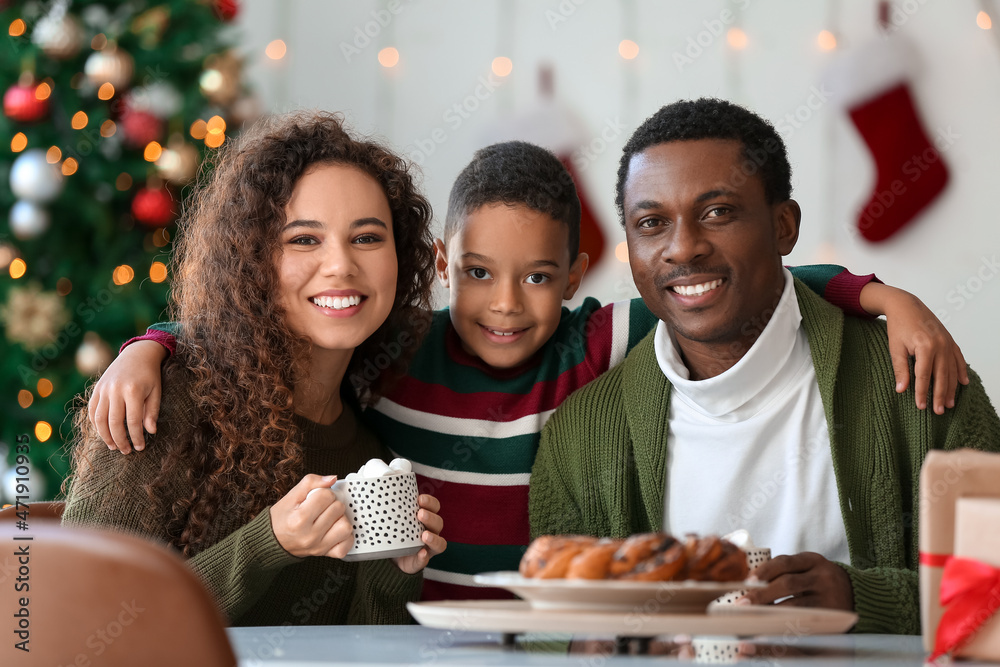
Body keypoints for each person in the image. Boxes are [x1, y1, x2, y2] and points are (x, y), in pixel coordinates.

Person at [90, 141, 966, 602]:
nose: (505, 305)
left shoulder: (587, 341)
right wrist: (154, 344)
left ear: (576, 277)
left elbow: (722, 289)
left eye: (538, 277)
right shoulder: (394, 356)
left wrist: (880, 298)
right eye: (478, 273)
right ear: (440, 263)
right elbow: (239, 327)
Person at [528, 98, 1000, 633]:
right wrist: (593, 648)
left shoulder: (917, 377)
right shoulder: (582, 433)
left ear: (783, 226)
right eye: (652, 222)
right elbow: (548, 623)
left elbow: (993, 593)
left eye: (717, 212)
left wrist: (858, 599)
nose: (683, 248)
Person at [62, 111, 447, 626]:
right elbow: (82, 619)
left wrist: (394, 567)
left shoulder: (367, 451)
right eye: (304, 239)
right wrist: (268, 544)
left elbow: (363, 654)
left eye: (368, 238)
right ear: (251, 262)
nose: (341, 265)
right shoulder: (159, 401)